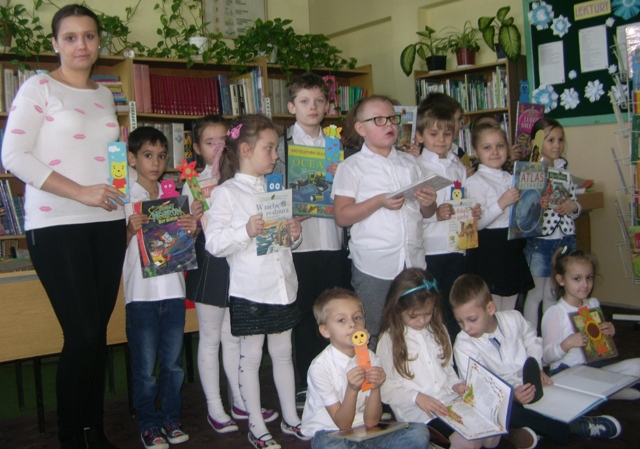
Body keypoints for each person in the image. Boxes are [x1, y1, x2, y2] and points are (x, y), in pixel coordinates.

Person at [1, 5, 127, 448]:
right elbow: (13, 157)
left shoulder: (104, 95)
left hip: (109, 223)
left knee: (97, 335)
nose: (81, 45)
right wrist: (81, 192)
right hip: (58, 225)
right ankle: (72, 434)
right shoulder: (38, 87)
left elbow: (107, 161)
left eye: (89, 36)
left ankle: (95, 428)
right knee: (83, 333)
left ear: (99, 42)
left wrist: (123, 199)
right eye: (70, 37)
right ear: (55, 43)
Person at [205, 115, 305, 449]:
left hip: (281, 286)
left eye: (275, 148)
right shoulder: (226, 193)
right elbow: (214, 243)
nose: (275, 155)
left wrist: (293, 235)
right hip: (250, 289)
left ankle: (291, 418)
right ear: (246, 149)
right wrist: (245, 231)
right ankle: (256, 425)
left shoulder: (274, 187)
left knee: (283, 353)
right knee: (250, 357)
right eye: (269, 148)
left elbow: (282, 243)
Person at [181, 115, 277, 434]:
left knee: (234, 335)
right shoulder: (192, 181)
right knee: (210, 338)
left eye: (224, 140)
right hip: (211, 263)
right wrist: (192, 218)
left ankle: (239, 398)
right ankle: (214, 406)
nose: (218, 148)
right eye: (210, 142)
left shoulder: (246, 178)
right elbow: (182, 231)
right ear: (198, 148)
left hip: (241, 263)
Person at [451, 273, 623, 444]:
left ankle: (525, 430)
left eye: (472, 319)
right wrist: (511, 396)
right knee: (509, 412)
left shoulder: (514, 319)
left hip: (528, 381)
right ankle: (576, 427)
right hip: (501, 398)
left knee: (553, 391)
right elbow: (479, 387)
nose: (466, 327)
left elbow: (532, 339)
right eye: (460, 321)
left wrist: (535, 367)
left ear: (490, 309)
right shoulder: (463, 344)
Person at [332, 95, 438, 348]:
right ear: (361, 129)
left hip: (412, 261)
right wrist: (378, 201)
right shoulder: (352, 166)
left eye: (392, 118)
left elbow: (427, 213)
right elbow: (341, 216)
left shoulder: (411, 163)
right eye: (378, 120)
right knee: (374, 331)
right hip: (374, 265)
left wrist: (428, 201)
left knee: (415, 329)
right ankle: (373, 384)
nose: (388, 124)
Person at [274, 73, 348, 405]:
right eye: (304, 101)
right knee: (304, 318)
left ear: (328, 105)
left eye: (319, 101)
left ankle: (336, 381)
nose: (313, 107)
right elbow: (271, 193)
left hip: (332, 241)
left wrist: (341, 174)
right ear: (292, 107)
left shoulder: (336, 144)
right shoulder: (279, 146)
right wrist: (290, 210)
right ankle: (306, 384)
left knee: (335, 314)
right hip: (298, 244)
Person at [123, 126, 196, 449]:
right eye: (148, 155)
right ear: (132, 158)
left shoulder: (172, 196)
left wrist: (191, 230)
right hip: (141, 296)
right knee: (145, 368)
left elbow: (183, 244)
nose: (155, 162)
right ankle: (149, 423)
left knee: (172, 365)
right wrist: (128, 229)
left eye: (161, 156)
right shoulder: (125, 198)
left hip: (173, 292)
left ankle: (170, 418)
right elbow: (115, 248)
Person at [377, 268, 500, 449]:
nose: (422, 321)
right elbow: (385, 388)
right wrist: (417, 397)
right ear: (398, 308)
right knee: (468, 441)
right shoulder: (389, 341)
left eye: (427, 313)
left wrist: (456, 385)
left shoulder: (438, 329)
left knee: (492, 434)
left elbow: (447, 368)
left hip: (449, 402)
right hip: (419, 413)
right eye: (414, 316)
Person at [300, 287, 430, 448]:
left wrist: (375, 388)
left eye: (357, 317)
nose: (352, 325)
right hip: (330, 432)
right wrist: (352, 389)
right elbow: (343, 424)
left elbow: (372, 421)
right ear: (325, 330)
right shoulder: (320, 367)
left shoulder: (371, 358)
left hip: (364, 429)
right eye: (341, 320)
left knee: (418, 432)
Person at [415, 105, 480, 341]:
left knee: (457, 306)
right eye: (433, 134)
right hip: (431, 248)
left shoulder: (457, 166)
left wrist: (471, 211)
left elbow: (462, 199)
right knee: (434, 308)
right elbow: (411, 211)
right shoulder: (416, 167)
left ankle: (458, 355)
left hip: (457, 245)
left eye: (447, 134)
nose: (441, 140)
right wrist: (435, 214)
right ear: (420, 136)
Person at [541, 247, 640, 399]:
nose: (585, 285)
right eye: (577, 279)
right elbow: (547, 358)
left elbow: (599, 343)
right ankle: (610, 390)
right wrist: (567, 344)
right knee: (575, 382)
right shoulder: (556, 313)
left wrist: (609, 331)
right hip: (567, 372)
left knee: (637, 366)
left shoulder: (592, 304)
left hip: (595, 367)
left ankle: (604, 390)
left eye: (589, 277)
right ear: (561, 280)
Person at [463, 123, 534, 311]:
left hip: (511, 245)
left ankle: (509, 337)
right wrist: (502, 203)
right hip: (489, 248)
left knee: (511, 305)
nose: (495, 152)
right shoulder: (474, 182)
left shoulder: (512, 177)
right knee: (492, 306)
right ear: (476, 152)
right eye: (487, 147)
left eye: (500, 146)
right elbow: (475, 225)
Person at [524, 118, 581, 329]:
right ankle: (531, 341)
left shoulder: (563, 170)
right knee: (535, 293)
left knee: (553, 292)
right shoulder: (529, 171)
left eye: (559, 140)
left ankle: (549, 337)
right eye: (550, 140)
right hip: (540, 240)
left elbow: (573, 203)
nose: (556, 145)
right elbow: (524, 211)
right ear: (536, 143)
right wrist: (539, 205)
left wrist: (573, 207)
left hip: (563, 239)